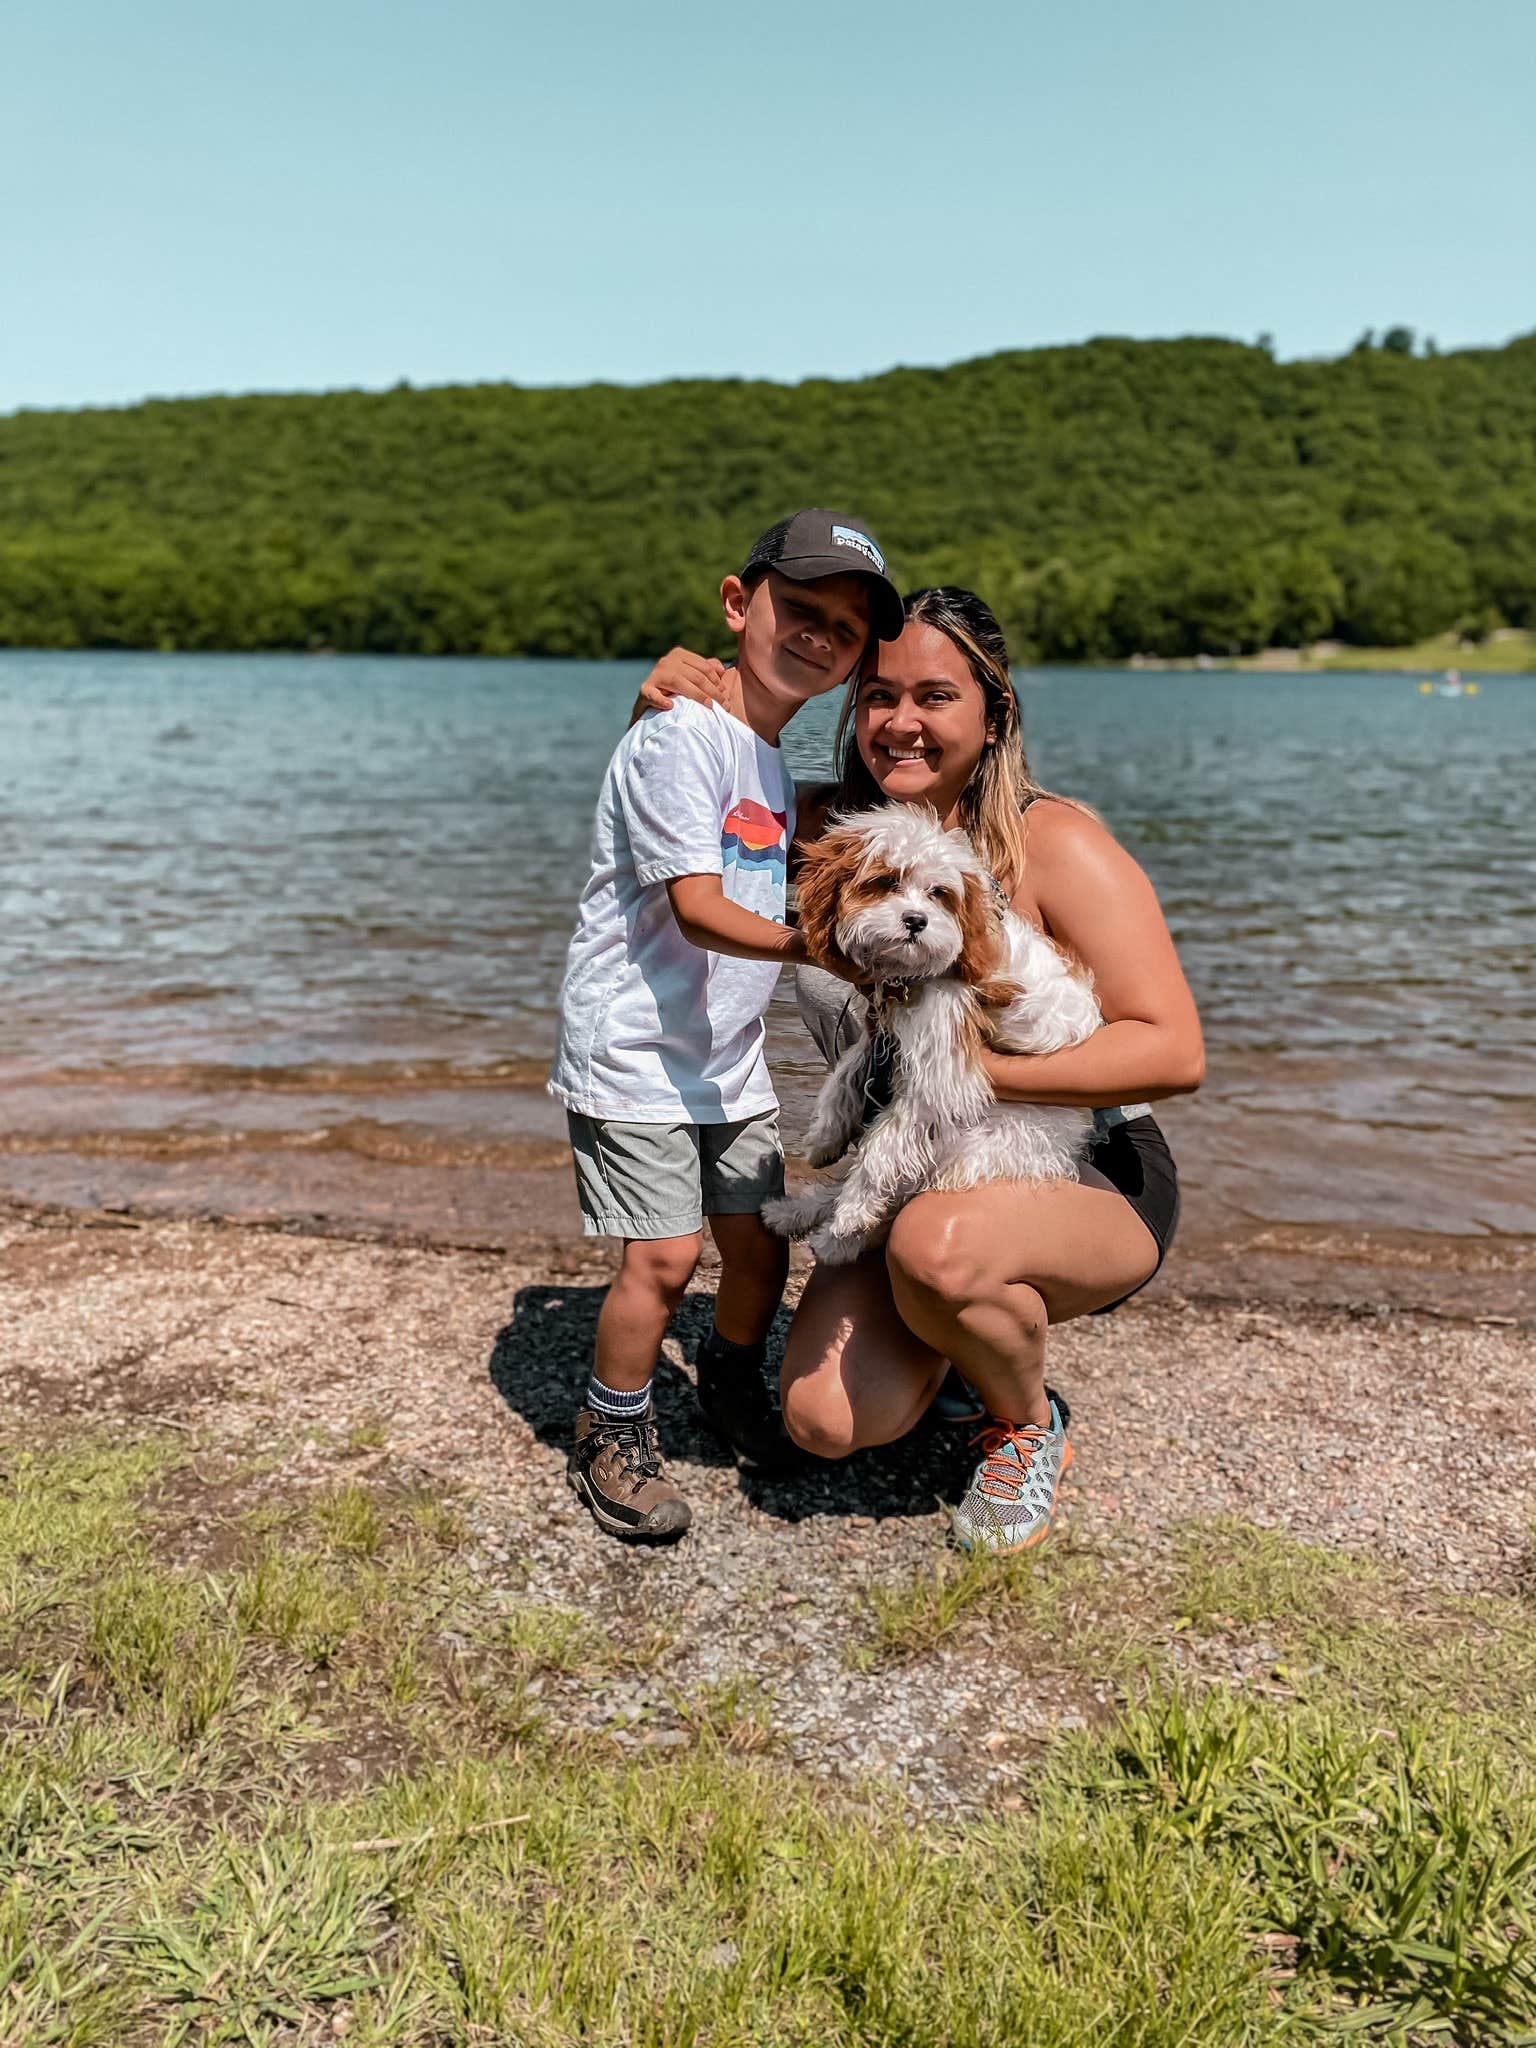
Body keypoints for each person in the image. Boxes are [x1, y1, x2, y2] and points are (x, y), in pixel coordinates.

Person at [637, 585, 1204, 1553]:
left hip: (1087, 1161)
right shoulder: (820, 830)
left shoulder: (1056, 844)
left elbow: (1172, 1048)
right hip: (915, 1159)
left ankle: (1024, 1421)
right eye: (876, 696)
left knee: (934, 1248)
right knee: (821, 1415)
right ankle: (957, 1346)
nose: (900, 722)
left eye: (935, 696)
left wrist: (980, 1073)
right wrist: (663, 712)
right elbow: (674, 846)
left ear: (993, 715)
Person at [547, 510, 905, 1541]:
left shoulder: (769, 763)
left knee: (756, 1250)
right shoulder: (680, 736)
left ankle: (730, 1381)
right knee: (661, 1260)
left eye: (844, 627)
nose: (820, 635)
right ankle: (610, 1428)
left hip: (725, 1059)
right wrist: (816, 947)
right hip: (634, 1052)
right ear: (737, 603)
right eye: (800, 608)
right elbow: (695, 906)